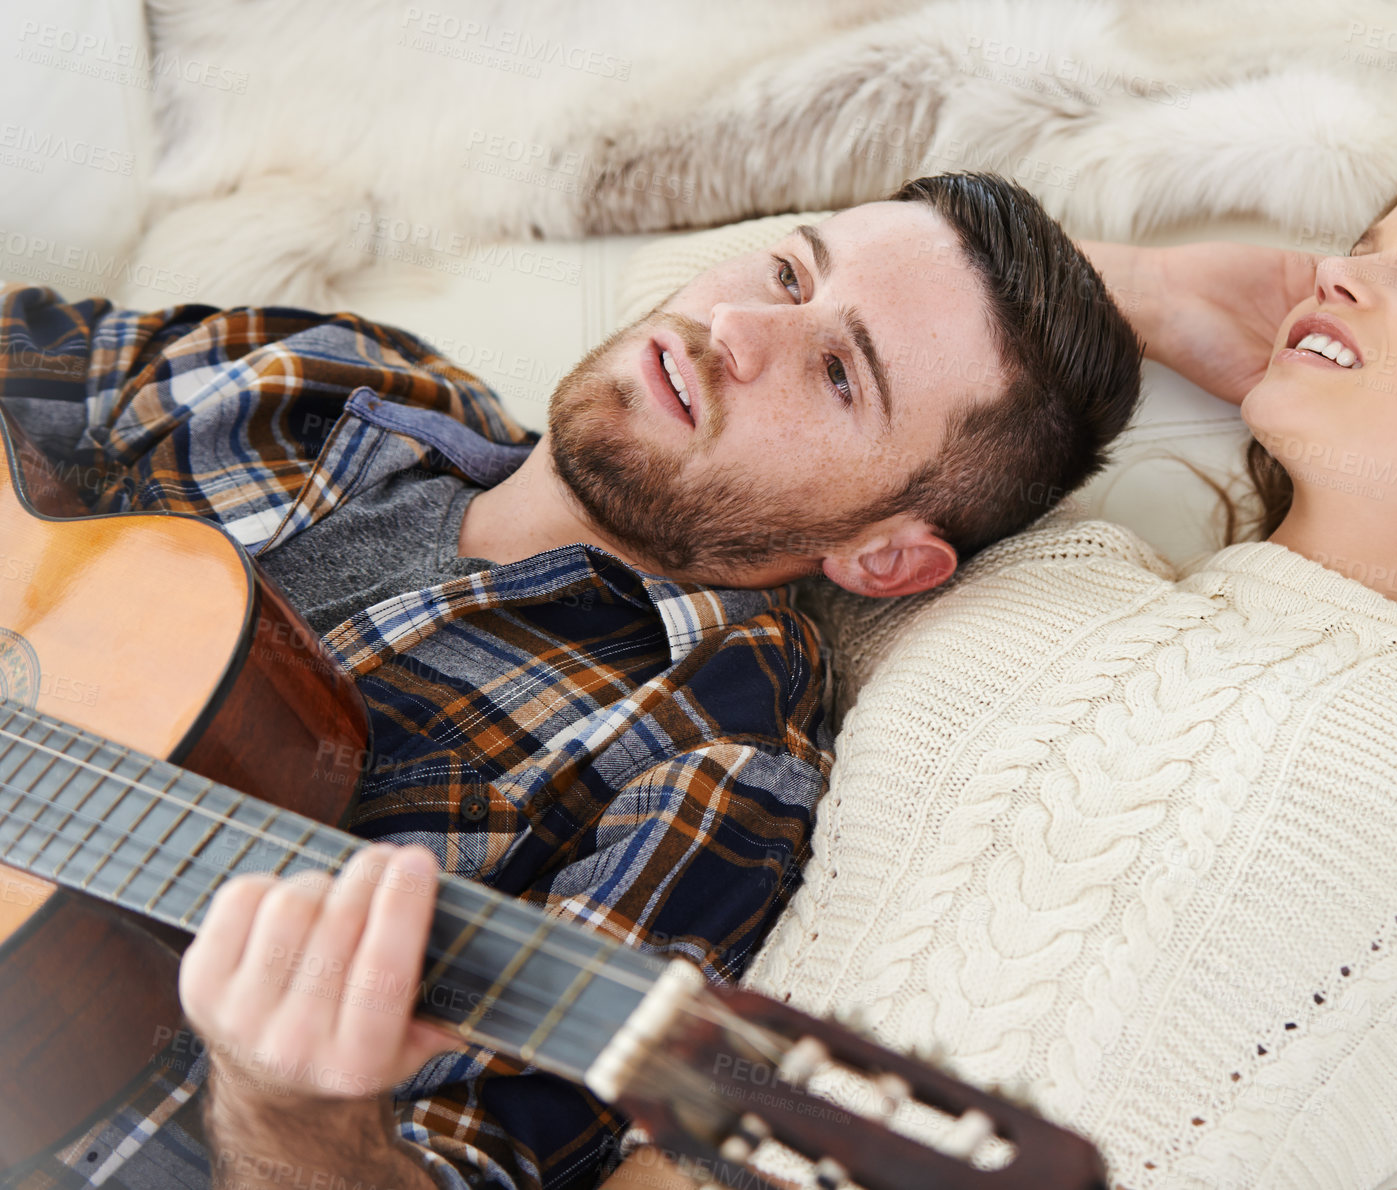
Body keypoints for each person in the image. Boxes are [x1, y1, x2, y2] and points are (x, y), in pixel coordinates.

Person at [0, 172, 1143, 1190]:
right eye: (787, 269)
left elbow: (460, 1160)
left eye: (839, 371)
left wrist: (290, 1101)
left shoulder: (713, 746)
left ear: (883, 556)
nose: (736, 324)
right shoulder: (334, 371)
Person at [607, 122, 1397, 1188]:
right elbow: (678, 364)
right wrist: (1147, 298)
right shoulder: (1031, 565)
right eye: (1360, 243)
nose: (1338, 275)